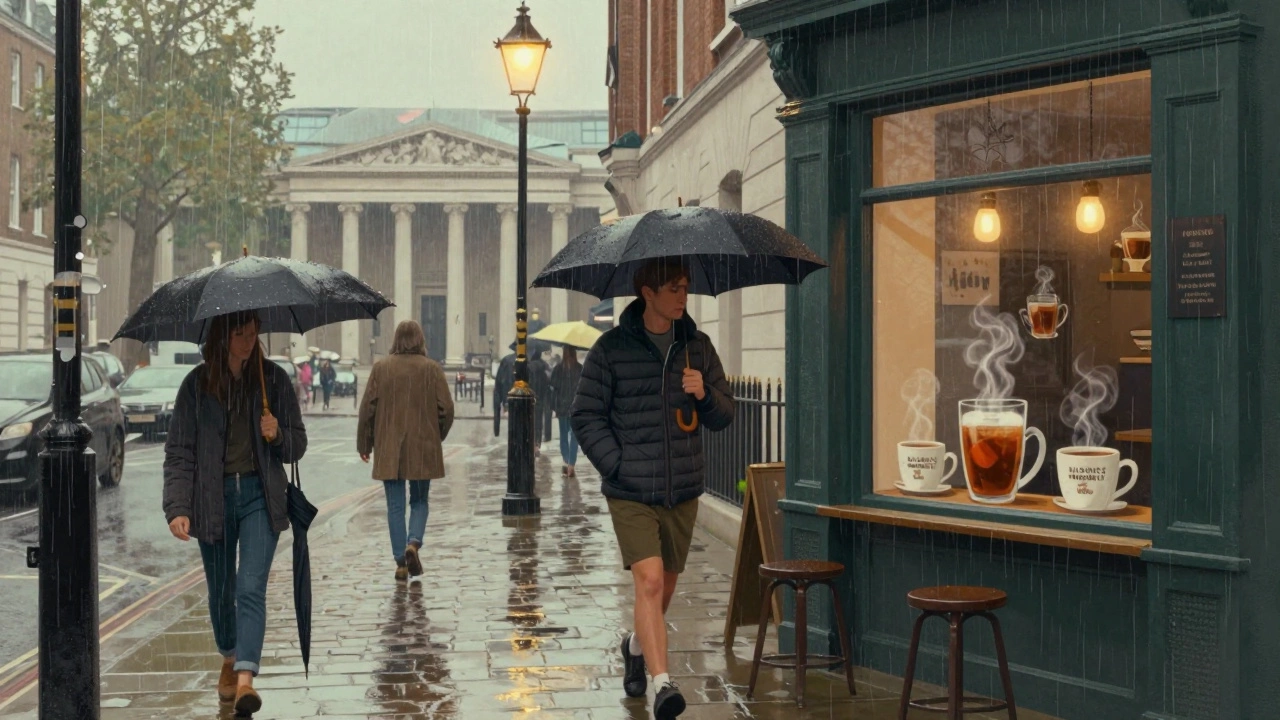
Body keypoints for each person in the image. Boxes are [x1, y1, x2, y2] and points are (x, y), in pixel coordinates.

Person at [571, 258, 734, 719]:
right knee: (649, 580)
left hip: (681, 489)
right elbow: (585, 416)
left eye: (685, 288)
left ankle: (635, 646)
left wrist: (704, 392)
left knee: (663, 590)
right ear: (648, 293)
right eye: (674, 289)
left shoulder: (697, 348)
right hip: (629, 491)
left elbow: (726, 416)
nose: (683, 297)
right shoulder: (611, 349)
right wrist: (617, 465)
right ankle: (664, 685)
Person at [162, 310, 307, 715]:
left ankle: (245, 678)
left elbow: (297, 445)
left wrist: (277, 432)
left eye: (252, 332)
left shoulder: (273, 380)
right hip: (213, 500)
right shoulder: (196, 386)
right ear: (222, 337)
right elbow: (179, 452)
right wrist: (177, 506)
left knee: (249, 586)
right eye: (239, 334)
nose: (248, 341)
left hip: (261, 498)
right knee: (222, 592)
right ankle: (229, 654)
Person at [357, 321, 455, 582]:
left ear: (396, 340)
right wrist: (436, 435)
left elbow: (368, 409)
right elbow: (446, 409)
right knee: (420, 500)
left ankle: (401, 562)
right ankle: (414, 542)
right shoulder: (432, 369)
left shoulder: (381, 368)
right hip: (423, 445)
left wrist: (364, 444)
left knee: (395, 506)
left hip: (389, 447)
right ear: (421, 340)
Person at [549, 346, 583, 476]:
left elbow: (553, 389)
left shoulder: (558, 369)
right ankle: (571, 464)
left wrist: (553, 406)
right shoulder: (579, 369)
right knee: (574, 436)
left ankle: (566, 460)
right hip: (575, 407)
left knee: (564, 435)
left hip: (562, 408)